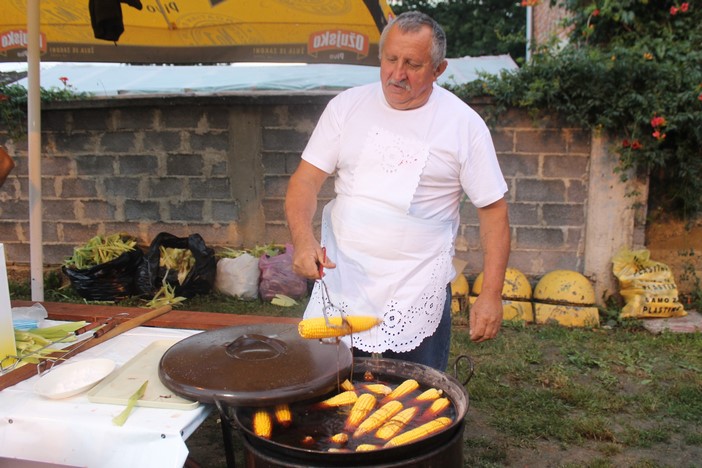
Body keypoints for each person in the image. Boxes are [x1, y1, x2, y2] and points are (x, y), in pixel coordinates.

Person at [284, 11, 510, 370]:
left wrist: (491, 294)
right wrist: (303, 238)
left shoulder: (464, 125)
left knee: (412, 400)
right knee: (331, 393)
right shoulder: (346, 107)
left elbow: (493, 211)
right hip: (341, 280)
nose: (397, 74)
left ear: (439, 70)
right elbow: (305, 180)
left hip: (416, 287)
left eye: (413, 64)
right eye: (391, 59)